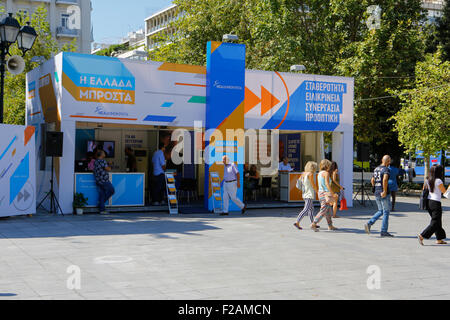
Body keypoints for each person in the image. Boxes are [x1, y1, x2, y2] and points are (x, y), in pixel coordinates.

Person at [418, 165, 450, 246]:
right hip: (436, 203)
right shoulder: (438, 181)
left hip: (429, 202)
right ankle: (422, 235)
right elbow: (445, 193)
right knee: (435, 222)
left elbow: (424, 189)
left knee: (437, 221)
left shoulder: (428, 179)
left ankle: (439, 239)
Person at [364, 155, 394, 237]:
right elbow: (385, 179)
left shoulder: (376, 169)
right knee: (386, 212)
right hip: (383, 192)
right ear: (387, 161)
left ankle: (369, 223)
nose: (389, 162)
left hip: (377, 192)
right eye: (389, 161)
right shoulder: (386, 169)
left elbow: (372, 180)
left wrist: (375, 187)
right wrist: (384, 190)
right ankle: (384, 231)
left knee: (380, 210)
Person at [310, 159, 338, 232]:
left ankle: (330, 226)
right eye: (329, 165)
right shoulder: (326, 173)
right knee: (323, 210)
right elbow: (327, 184)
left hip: (321, 193)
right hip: (325, 193)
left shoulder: (319, 173)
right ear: (327, 166)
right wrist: (333, 193)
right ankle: (314, 223)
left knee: (327, 210)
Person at [293, 161, 319, 230]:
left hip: (305, 193)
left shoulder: (303, 173)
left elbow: (298, 183)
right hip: (309, 194)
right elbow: (313, 185)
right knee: (306, 209)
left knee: (311, 209)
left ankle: (313, 223)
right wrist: (318, 192)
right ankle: (297, 222)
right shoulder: (310, 174)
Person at [93, 150, 115, 215]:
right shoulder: (102, 161)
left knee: (102, 194)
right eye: (104, 153)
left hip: (98, 180)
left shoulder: (96, 161)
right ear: (101, 154)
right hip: (104, 180)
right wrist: (110, 165)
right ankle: (101, 204)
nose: (105, 153)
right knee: (112, 190)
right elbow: (108, 169)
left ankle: (102, 209)